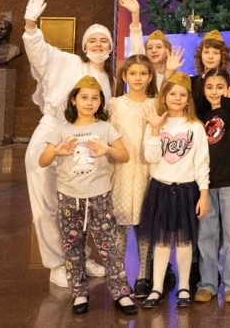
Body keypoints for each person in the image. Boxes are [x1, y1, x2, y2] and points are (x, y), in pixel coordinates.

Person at [22, 0, 111, 287]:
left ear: (110, 47)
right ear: (84, 46)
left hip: (84, 142)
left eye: (103, 41)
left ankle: (80, 257)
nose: (98, 45)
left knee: (80, 205)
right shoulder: (68, 62)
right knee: (47, 203)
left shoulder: (110, 79)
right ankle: (57, 263)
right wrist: (30, 24)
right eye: (92, 40)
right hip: (52, 133)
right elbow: (40, 53)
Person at [38, 76, 137, 315]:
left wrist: (108, 150)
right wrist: (57, 151)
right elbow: (43, 161)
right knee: (72, 246)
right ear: (74, 100)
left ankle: (121, 293)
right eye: (84, 97)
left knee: (109, 246)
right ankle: (79, 292)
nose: (89, 102)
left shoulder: (105, 128)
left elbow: (124, 156)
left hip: (99, 195)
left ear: (100, 102)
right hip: (69, 197)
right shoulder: (62, 129)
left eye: (94, 98)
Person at [138, 72, 210, 309]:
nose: (177, 98)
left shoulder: (196, 127)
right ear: (164, 97)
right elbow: (151, 156)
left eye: (183, 94)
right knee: (160, 242)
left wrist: (203, 193)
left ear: (188, 99)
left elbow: (201, 163)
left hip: (186, 190)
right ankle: (157, 287)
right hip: (160, 189)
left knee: (184, 242)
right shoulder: (155, 124)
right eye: (173, 94)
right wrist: (155, 130)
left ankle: (184, 286)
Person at [107, 55, 158, 299]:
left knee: (145, 225)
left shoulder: (155, 104)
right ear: (125, 76)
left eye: (143, 74)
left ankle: (143, 276)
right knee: (119, 224)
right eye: (133, 73)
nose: (138, 78)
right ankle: (118, 277)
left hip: (147, 169)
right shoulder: (115, 104)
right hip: (121, 170)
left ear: (150, 77)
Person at [195, 68, 230, 304]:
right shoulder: (201, 115)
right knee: (207, 235)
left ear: (228, 88)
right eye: (209, 87)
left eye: (220, 87)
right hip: (206, 183)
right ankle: (207, 283)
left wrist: (228, 100)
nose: (214, 92)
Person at [120, 0, 185, 89]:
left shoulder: (176, 76)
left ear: (167, 50)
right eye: (149, 48)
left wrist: (169, 71)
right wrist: (135, 14)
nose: (154, 50)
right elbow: (136, 39)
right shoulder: (142, 74)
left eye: (159, 47)